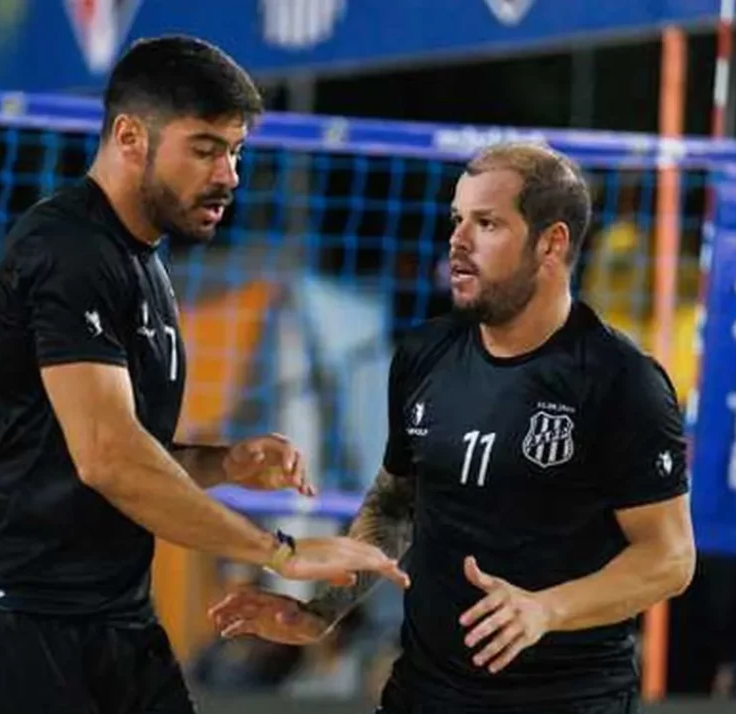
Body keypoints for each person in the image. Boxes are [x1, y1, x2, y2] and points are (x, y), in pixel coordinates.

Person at [0, 35, 408, 714]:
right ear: (129, 136)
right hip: (9, 620)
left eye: (235, 151)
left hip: (115, 626)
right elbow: (109, 459)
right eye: (205, 148)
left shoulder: (144, 266)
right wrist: (282, 553)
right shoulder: (67, 248)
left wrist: (224, 461)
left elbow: (115, 456)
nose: (229, 173)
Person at [209, 142, 696, 713]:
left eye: (486, 223)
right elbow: (394, 507)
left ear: (551, 243)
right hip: (424, 694)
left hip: (565, 699)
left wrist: (547, 609)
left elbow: (670, 559)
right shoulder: (424, 353)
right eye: (456, 219)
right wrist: (320, 613)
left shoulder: (620, 381)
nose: (458, 241)